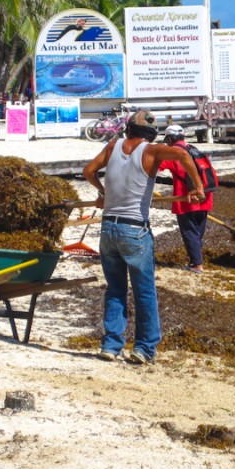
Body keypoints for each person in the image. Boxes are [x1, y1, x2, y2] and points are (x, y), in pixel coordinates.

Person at [83, 110, 206, 365]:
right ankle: (144, 348)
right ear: (151, 134)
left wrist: (103, 192)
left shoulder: (113, 145)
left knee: (115, 289)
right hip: (134, 230)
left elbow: (88, 171)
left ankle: (111, 345)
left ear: (128, 129)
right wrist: (198, 187)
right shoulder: (151, 151)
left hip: (108, 229)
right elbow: (183, 154)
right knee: (144, 292)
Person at [158, 124, 213, 274]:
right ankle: (196, 258)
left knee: (189, 231)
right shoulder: (195, 150)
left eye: (167, 140)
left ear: (170, 138)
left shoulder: (173, 153)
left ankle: (197, 264)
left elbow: (155, 167)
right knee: (197, 231)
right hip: (204, 195)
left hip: (186, 198)